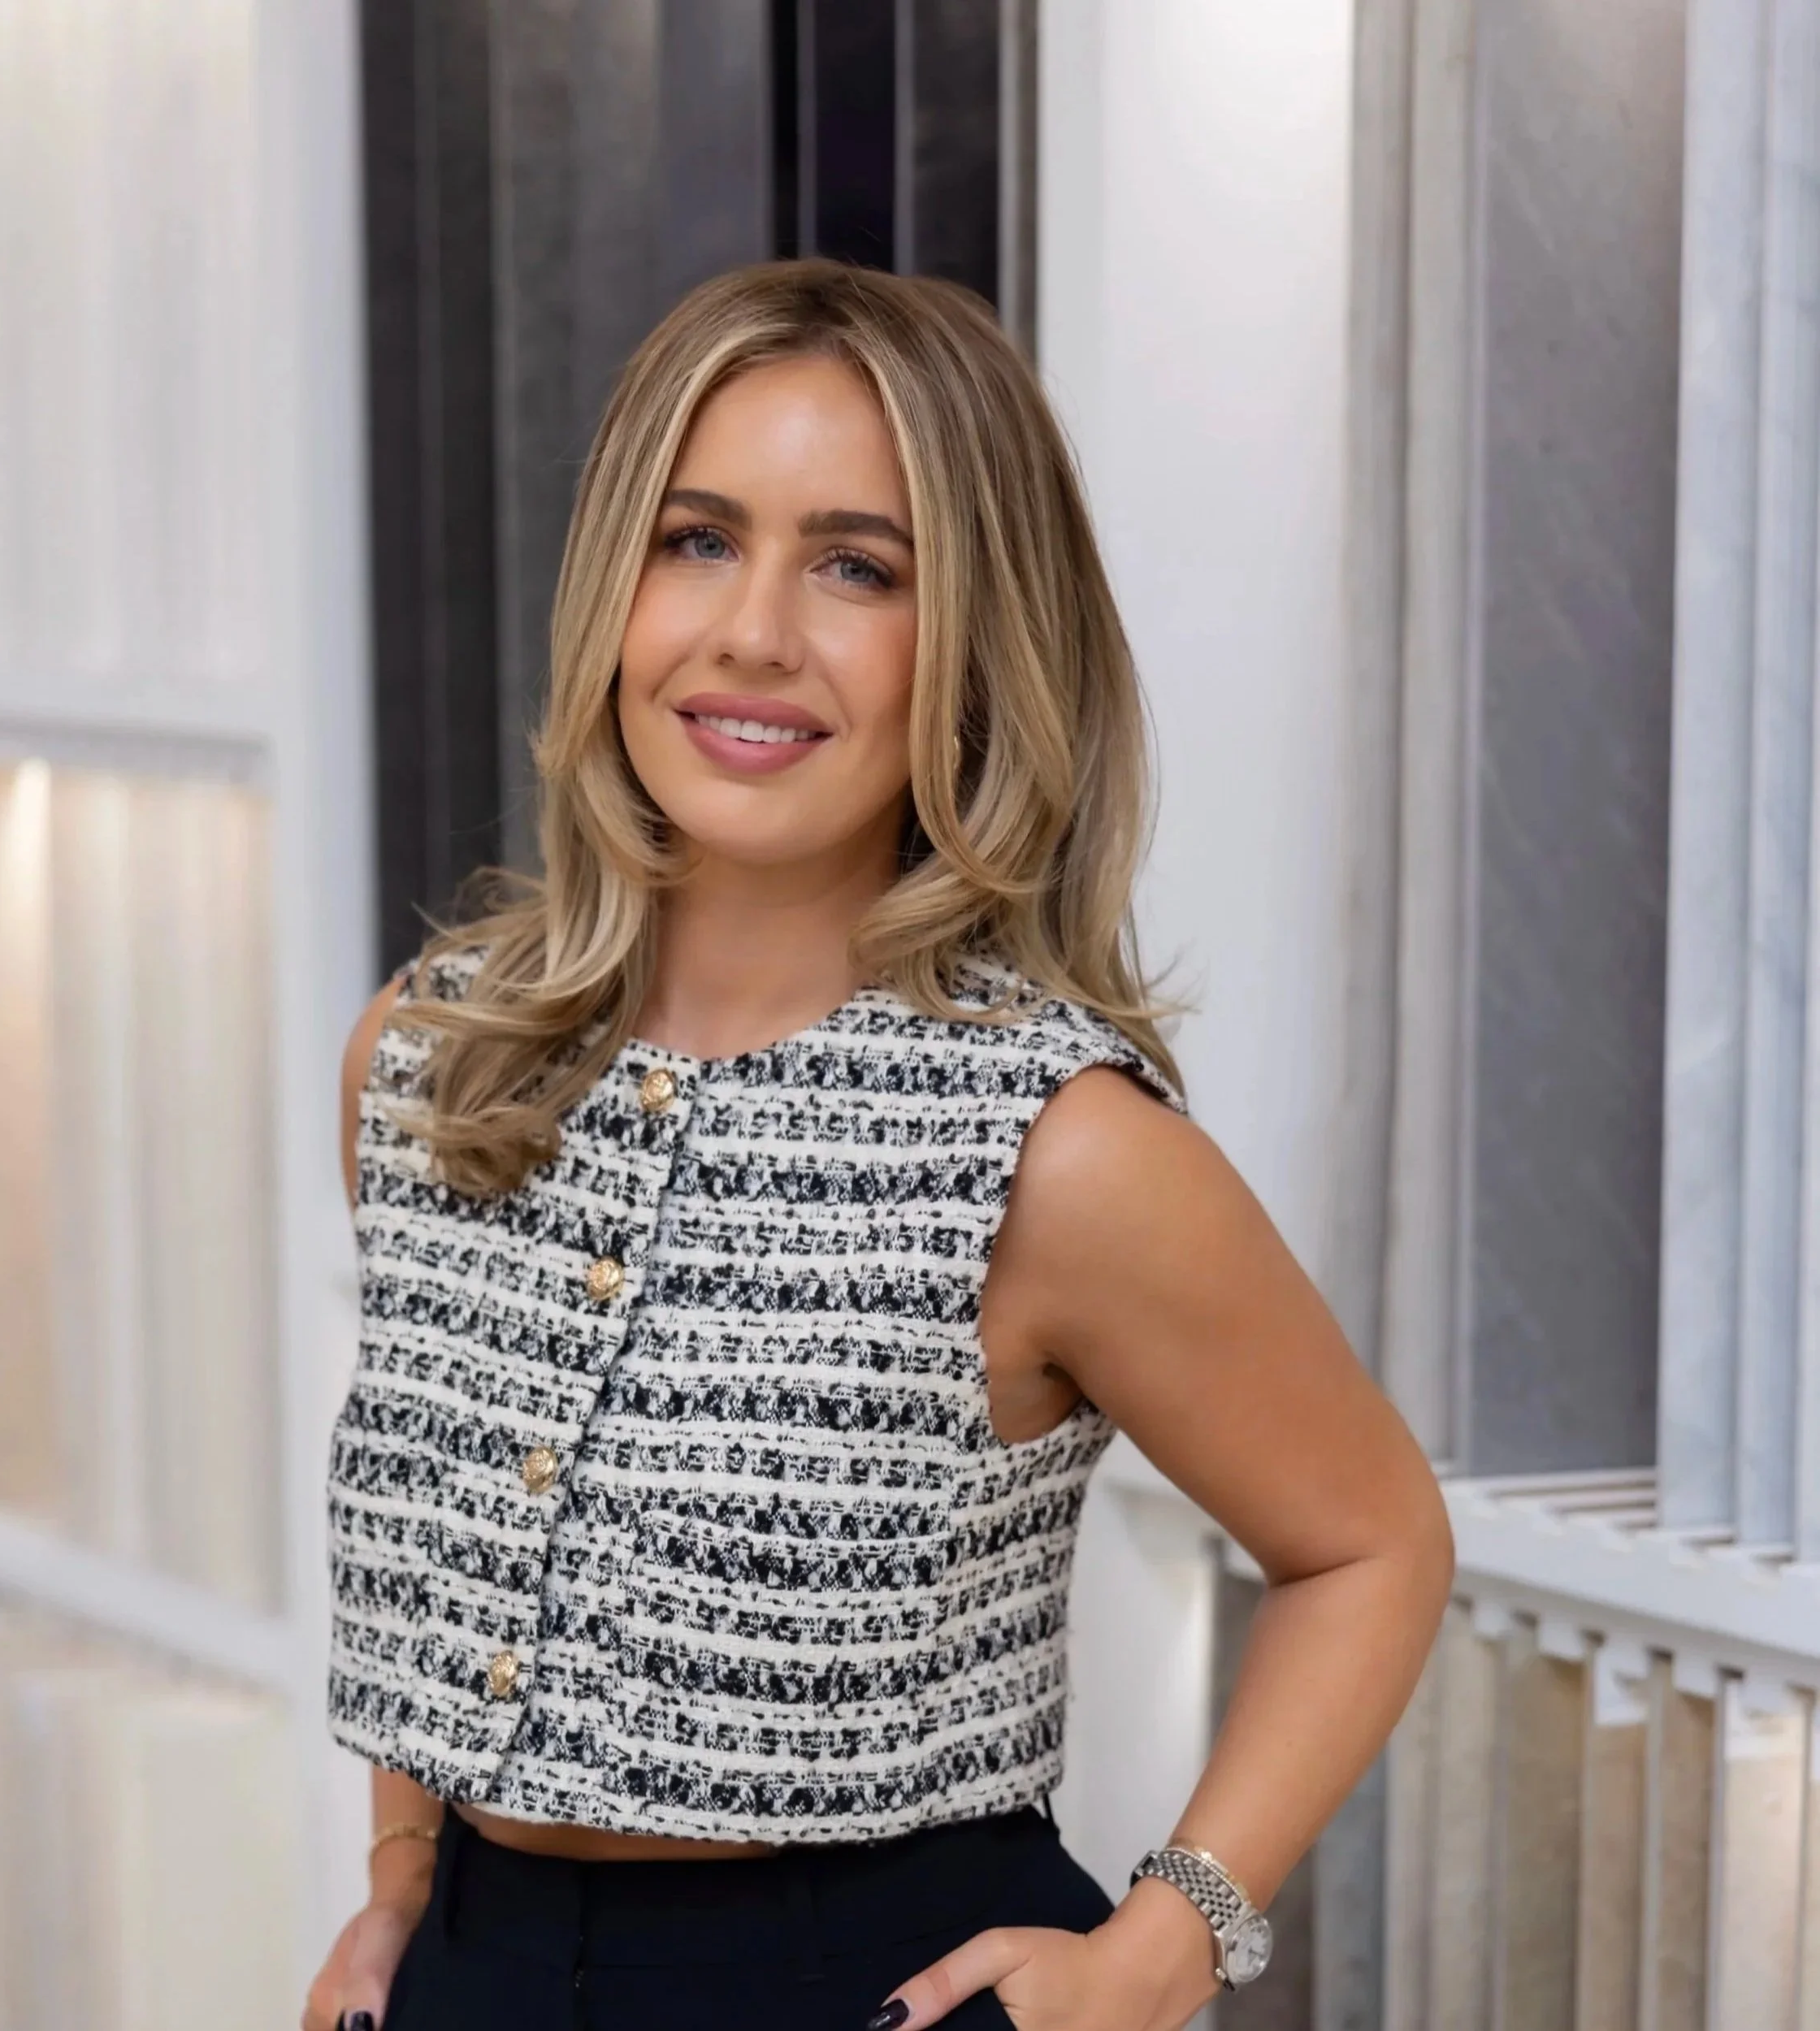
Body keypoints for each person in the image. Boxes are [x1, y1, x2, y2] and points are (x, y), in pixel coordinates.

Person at [303, 258, 1453, 2031]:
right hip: (473, 1968)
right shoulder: (430, 1054)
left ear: (977, 641)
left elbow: (1369, 1540)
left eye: (856, 566)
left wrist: (1163, 1946)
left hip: (868, 1985)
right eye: (695, 539)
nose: (752, 631)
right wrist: (404, 1875)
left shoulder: (1053, 1145)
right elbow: (453, 1522)